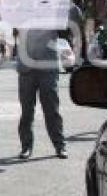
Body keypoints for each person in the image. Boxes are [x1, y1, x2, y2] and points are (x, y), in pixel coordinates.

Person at [15, 23, 68, 160]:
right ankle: (26, 146)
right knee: (26, 111)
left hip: (47, 65)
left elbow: (69, 23)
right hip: (26, 67)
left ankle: (60, 145)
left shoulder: (52, 8)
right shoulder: (21, 7)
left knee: (52, 109)